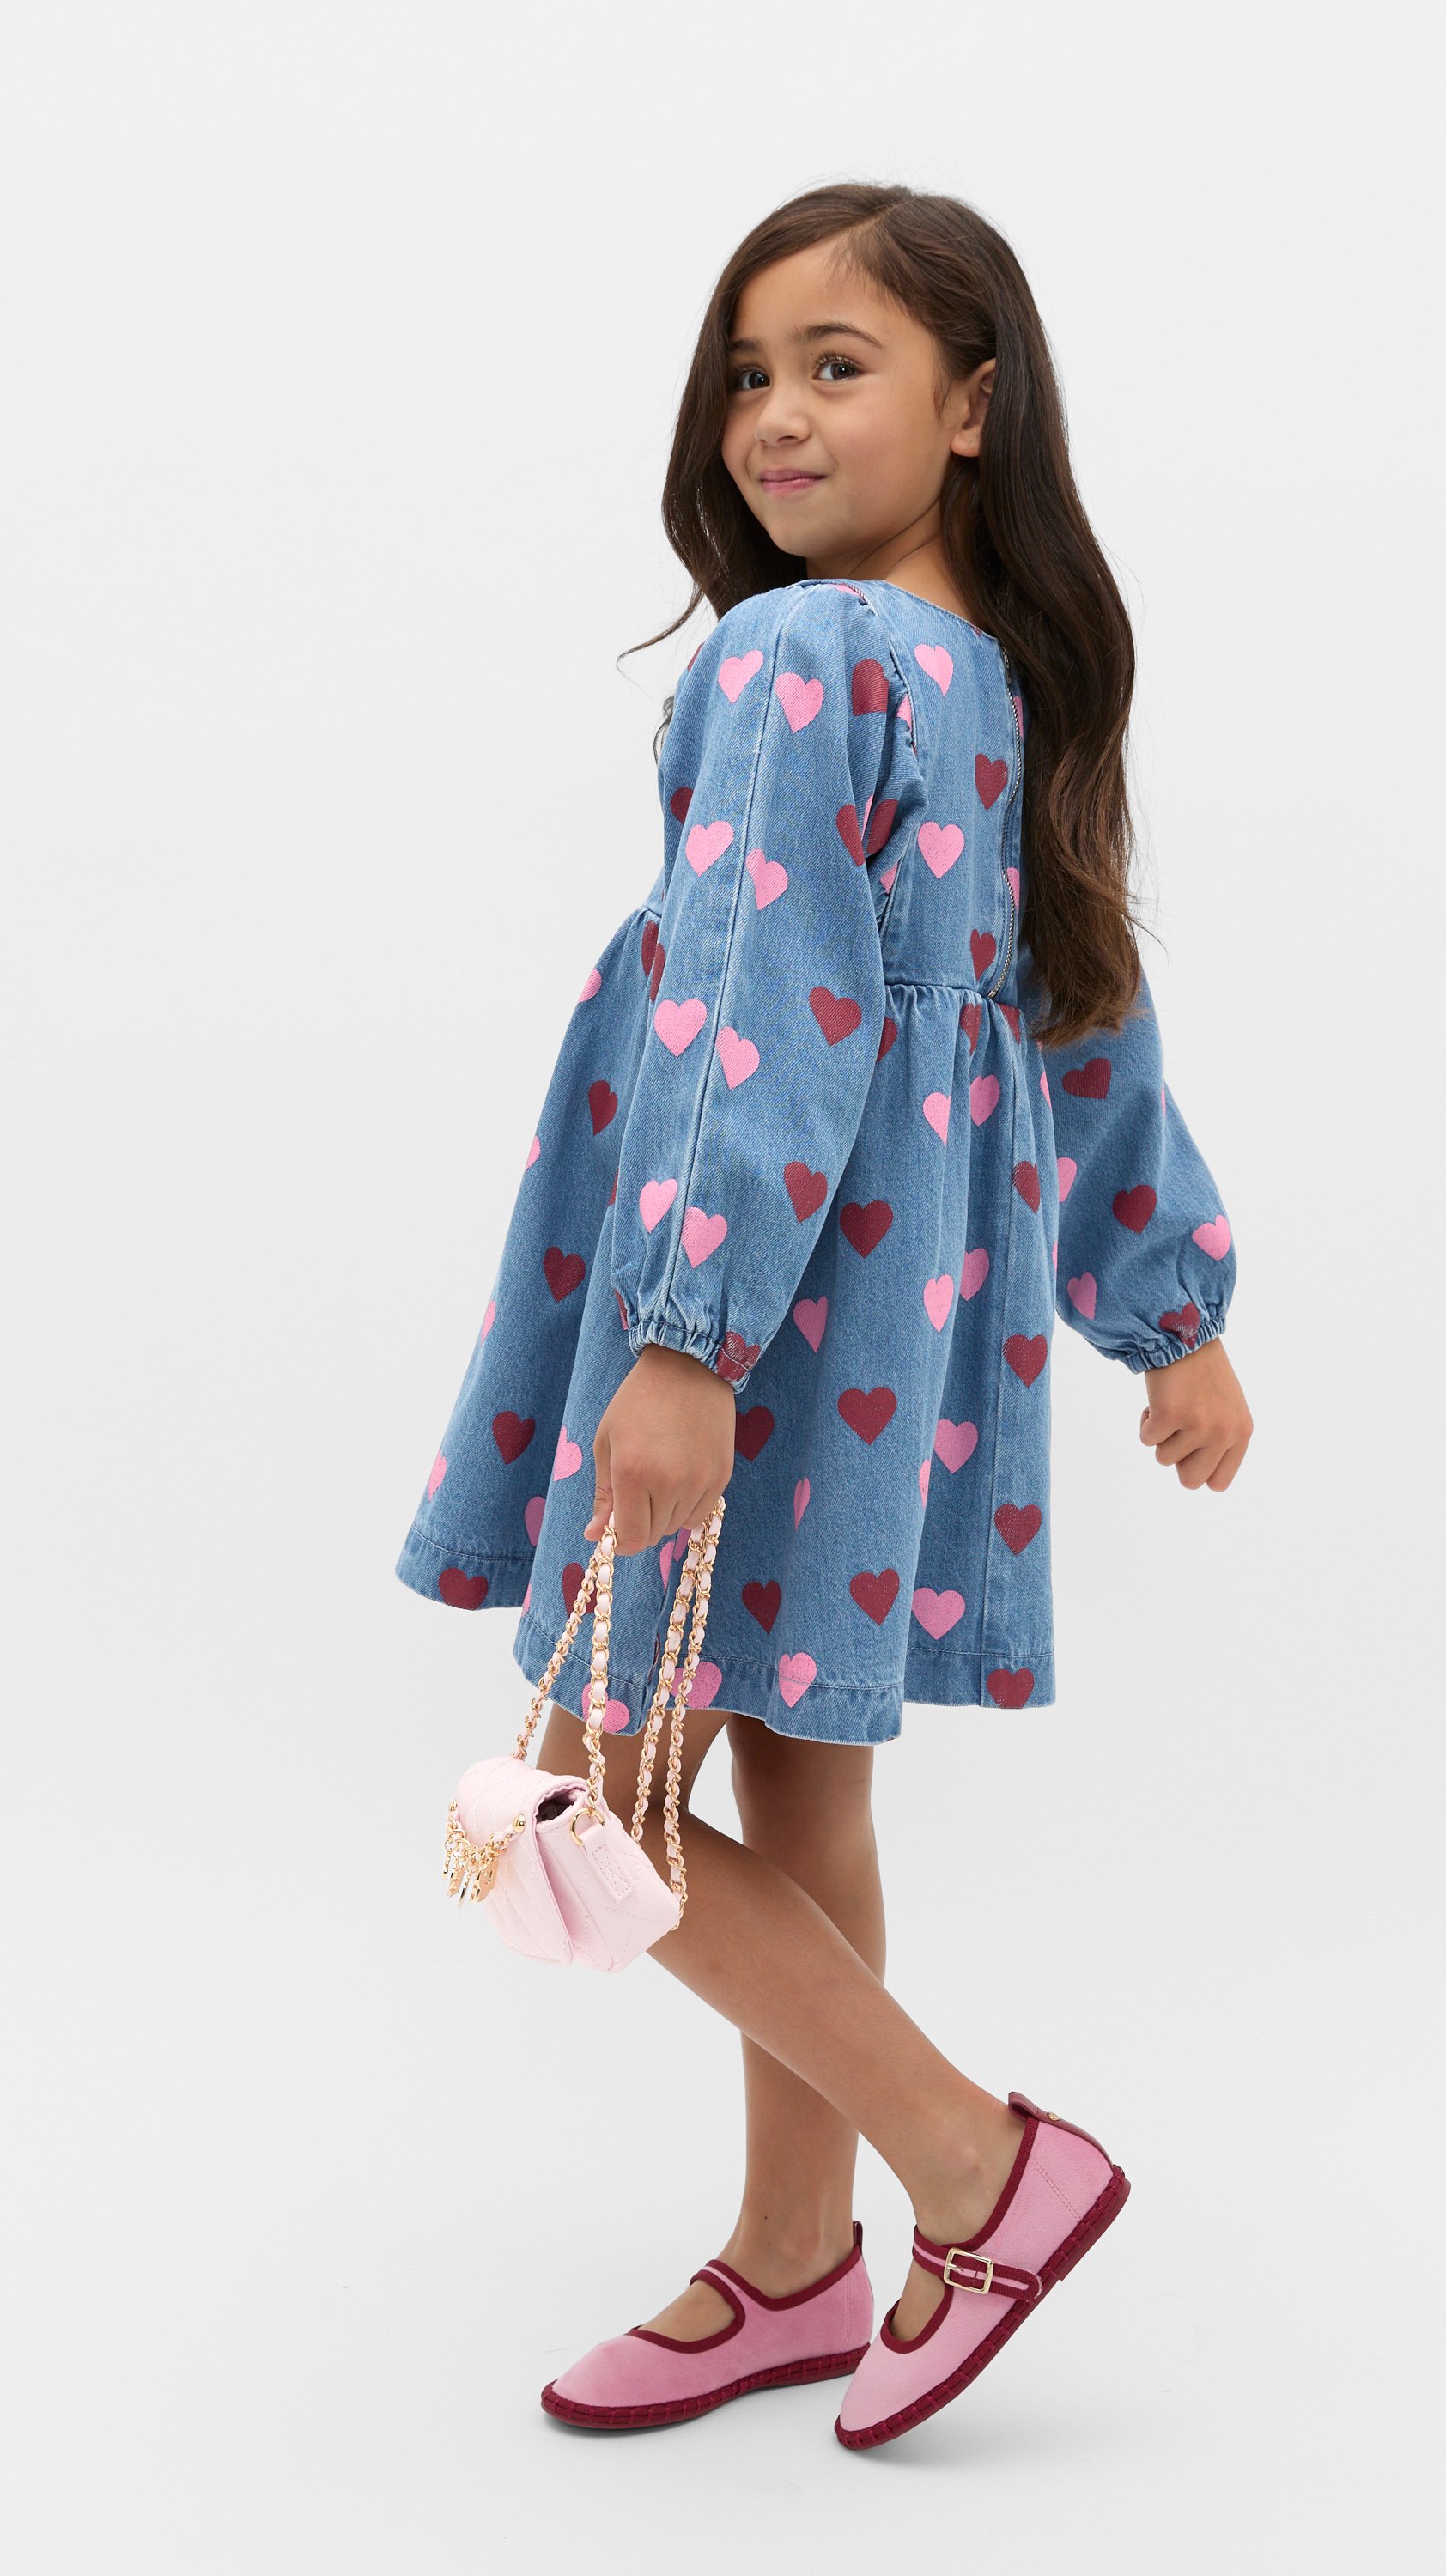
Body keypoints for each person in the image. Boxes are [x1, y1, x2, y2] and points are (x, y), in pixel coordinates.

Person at [394, 182, 1253, 2450]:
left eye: (836, 366)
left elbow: (757, 1009)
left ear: (974, 405)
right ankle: (794, 2260)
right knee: (786, 1769)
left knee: (587, 1786)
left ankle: (976, 2167)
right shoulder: (993, 691)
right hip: (896, 1334)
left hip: (758, 1313)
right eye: (747, 375)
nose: (774, 415)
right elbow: (1086, 1029)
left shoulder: (803, 657)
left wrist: (682, 1340)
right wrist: (1167, 1310)